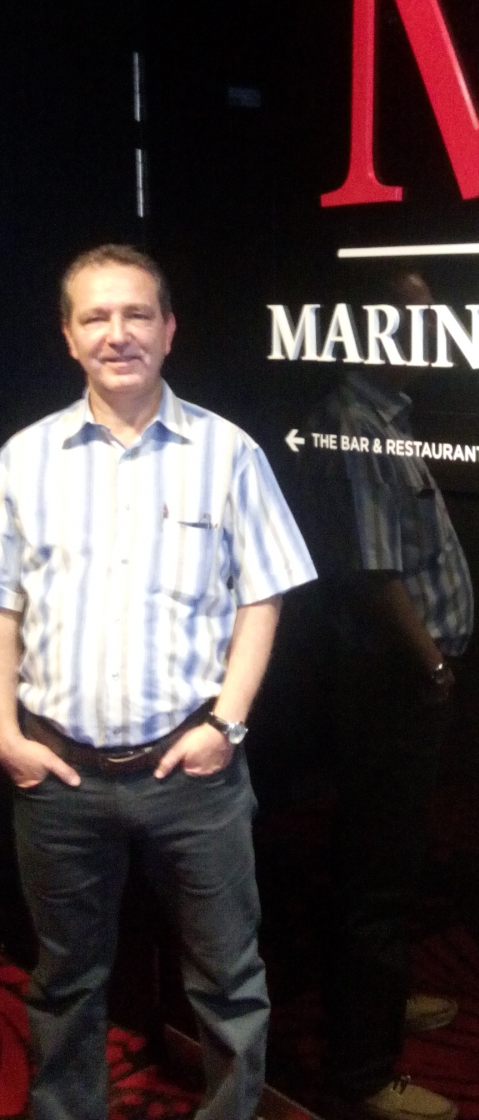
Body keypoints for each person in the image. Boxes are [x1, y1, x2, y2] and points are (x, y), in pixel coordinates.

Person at [0, 244, 316, 1120]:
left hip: (194, 779)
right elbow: (4, 606)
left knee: (229, 981)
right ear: (69, 336)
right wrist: (4, 735)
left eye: (137, 314)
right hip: (58, 779)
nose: (119, 334)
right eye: (96, 317)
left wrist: (227, 725)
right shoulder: (23, 459)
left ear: (169, 330)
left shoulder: (229, 452)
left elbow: (264, 595)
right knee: (65, 979)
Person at [299, 269, 473, 1120]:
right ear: (372, 327)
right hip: (390, 681)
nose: (431, 333)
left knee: (389, 859)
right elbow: (373, 574)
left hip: (401, 679)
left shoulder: (387, 415)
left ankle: (382, 1000)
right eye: (415, 319)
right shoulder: (355, 421)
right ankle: (363, 1072)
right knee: (378, 869)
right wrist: (429, 665)